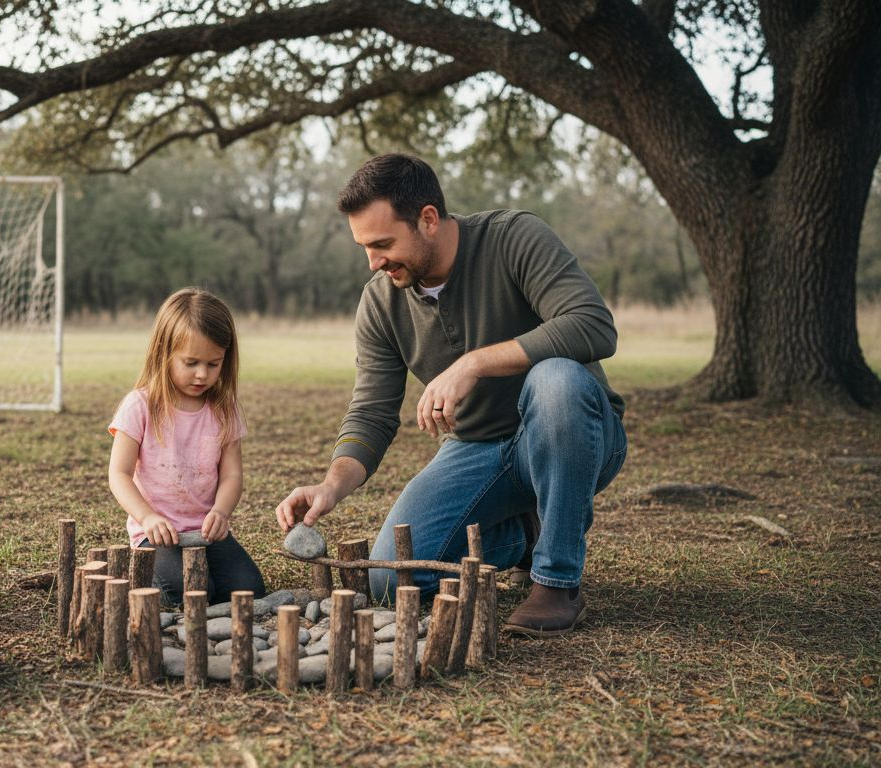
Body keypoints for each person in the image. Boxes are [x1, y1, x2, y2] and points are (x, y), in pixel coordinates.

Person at [274, 153, 627, 637]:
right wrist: (329, 486)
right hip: (478, 449)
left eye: (382, 244)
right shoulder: (380, 301)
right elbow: (372, 412)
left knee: (557, 379)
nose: (374, 262)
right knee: (388, 576)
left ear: (428, 219)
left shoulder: (514, 237)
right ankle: (523, 535)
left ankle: (556, 581)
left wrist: (474, 363)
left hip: (572, 433)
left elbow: (593, 325)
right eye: (364, 248)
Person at [109, 287, 267, 606]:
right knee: (192, 593)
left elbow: (231, 476)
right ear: (163, 354)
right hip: (156, 535)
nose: (201, 374)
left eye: (213, 363)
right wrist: (148, 517)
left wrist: (221, 512)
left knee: (249, 589)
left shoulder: (224, 408)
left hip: (206, 533)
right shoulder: (140, 405)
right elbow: (119, 475)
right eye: (191, 362)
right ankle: (145, 574)